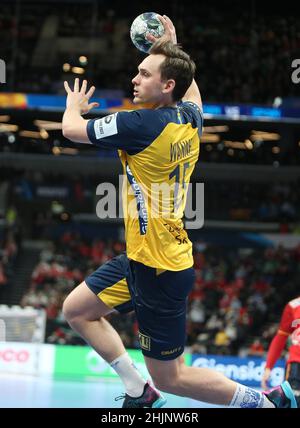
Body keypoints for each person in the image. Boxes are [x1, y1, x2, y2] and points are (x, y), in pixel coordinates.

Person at [62, 15, 298, 408]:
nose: (134, 79)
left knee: (173, 377)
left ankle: (267, 402)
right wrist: (173, 48)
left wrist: (74, 106)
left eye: (143, 73)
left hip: (160, 269)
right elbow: (193, 95)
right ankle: (138, 391)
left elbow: (72, 129)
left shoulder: (139, 123)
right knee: (76, 310)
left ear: (167, 85)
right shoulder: (188, 119)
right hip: (142, 258)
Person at [261, 296, 300, 404]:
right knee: (293, 403)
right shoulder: (293, 305)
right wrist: (268, 367)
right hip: (297, 366)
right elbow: (281, 337)